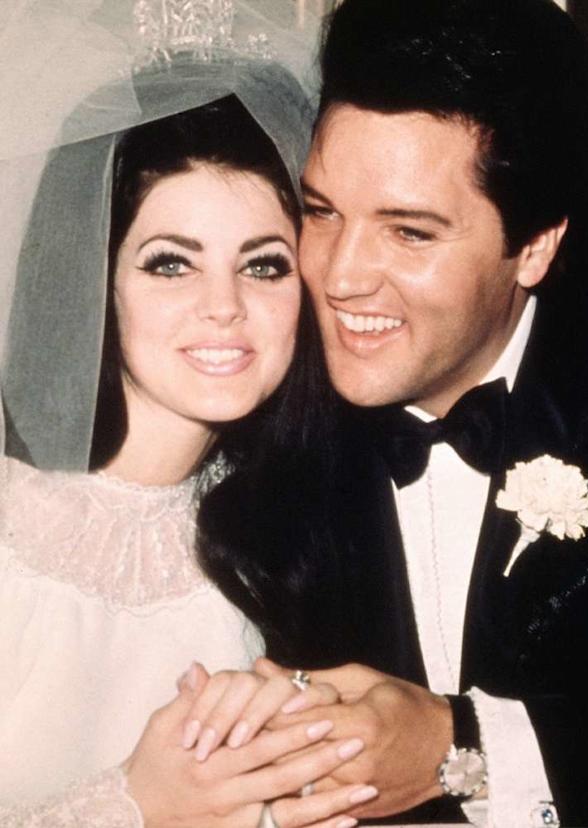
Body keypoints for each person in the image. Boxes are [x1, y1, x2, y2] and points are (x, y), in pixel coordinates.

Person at [199, 0, 588, 825]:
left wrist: (466, 748)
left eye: (409, 233)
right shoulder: (260, 422)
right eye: (322, 212)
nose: (340, 276)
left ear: (535, 245)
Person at [0, 5, 376, 825]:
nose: (224, 307)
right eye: (171, 264)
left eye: (264, 265)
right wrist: (133, 806)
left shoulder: (305, 533)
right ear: (92, 278)